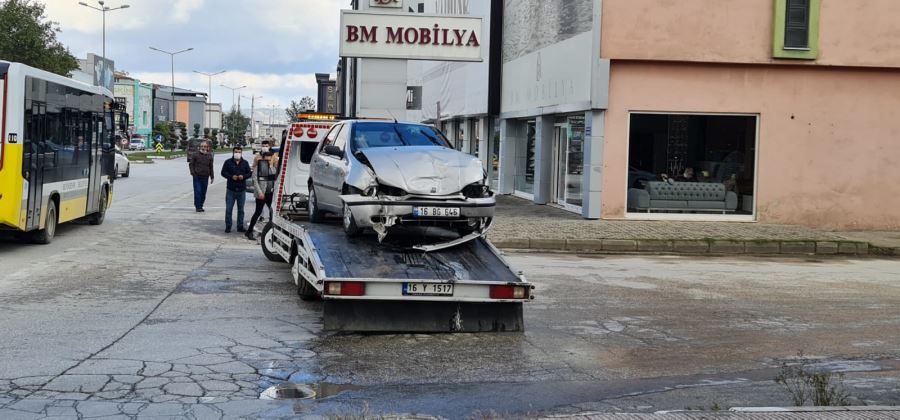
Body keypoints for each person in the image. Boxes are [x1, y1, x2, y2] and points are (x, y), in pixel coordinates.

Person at [245, 151, 277, 240]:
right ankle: (249, 231)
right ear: (263, 158)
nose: (269, 159)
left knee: (272, 212)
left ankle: (272, 231)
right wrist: (260, 193)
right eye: (267, 157)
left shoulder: (272, 168)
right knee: (258, 212)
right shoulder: (258, 168)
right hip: (261, 194)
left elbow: (274, 180)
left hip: (269, 193)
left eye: (270, 157)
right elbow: (255, 181)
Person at [220, 146, 252, 233]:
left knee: (241, 210)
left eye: (239, 152)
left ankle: (240, 226)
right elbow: (223, 172)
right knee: (229, 209)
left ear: (241, 153)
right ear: (233, 152)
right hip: (231, 189)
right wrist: (231, 177)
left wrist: (243, 176)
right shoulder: (228, 162)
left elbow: (249, 173)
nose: (237, 153)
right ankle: (228, 226)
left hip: (241, 190)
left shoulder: (245, 163)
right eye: (236, 152)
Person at [189, 141, 214, 212]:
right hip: (197, 177)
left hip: (205, 177)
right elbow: (191, 164)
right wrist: (193, 173)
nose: (203, 148)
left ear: (207, 147)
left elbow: (211, 167)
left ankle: (200, 205)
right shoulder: (195, 155)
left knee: (203, 193)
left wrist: (212, 176)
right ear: (200, 147)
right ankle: (198, 207)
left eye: (205, 146)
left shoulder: (209, 156)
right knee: (198, 191)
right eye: (202, 146)